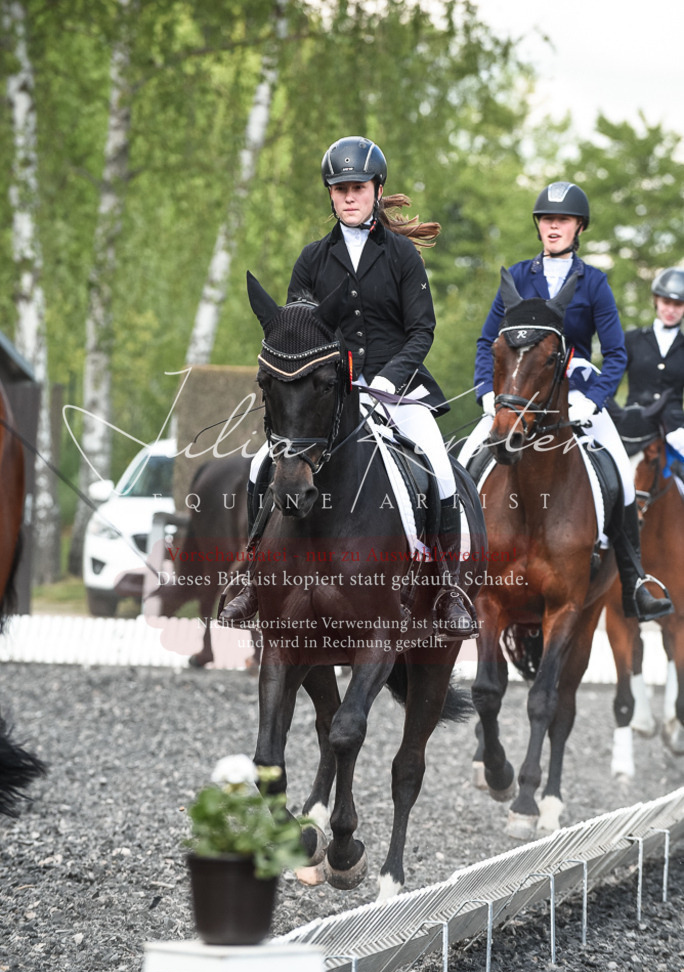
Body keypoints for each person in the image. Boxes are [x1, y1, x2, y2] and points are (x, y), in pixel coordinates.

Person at [220, 135, 477, 637]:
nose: (349, 197)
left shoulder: (402, 256)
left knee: (440, 466)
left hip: (397, 389)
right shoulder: (313, 259)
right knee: (258, 468)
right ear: (331, 195)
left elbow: (422, 330)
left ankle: (447, 588)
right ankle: (251, 578)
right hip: (329, 396)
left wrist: (385, 380)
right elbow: (296, 331)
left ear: (377, 189)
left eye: (358, 187)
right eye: (339, 189)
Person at [458, 180, 672, 623]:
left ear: (578, 227)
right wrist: (486, 392)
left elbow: (614, 354)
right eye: (547, 220)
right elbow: (487, 341)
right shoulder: (517, 276)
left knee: (619, 470)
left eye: (563, 220)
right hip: (517, 393)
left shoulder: (593, 283)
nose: (554, 227)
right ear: (538, 226)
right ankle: (453, 577)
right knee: (466, 457)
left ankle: (633, 581)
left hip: (574, 389)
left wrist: (594, 401)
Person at [623, 266, 684, 478]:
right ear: (656, 300)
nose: (671, 310)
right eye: (667, 302)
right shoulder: (632, 339)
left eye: (678, 305)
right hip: (633, 421)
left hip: (674, 429)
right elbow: (611, 381)